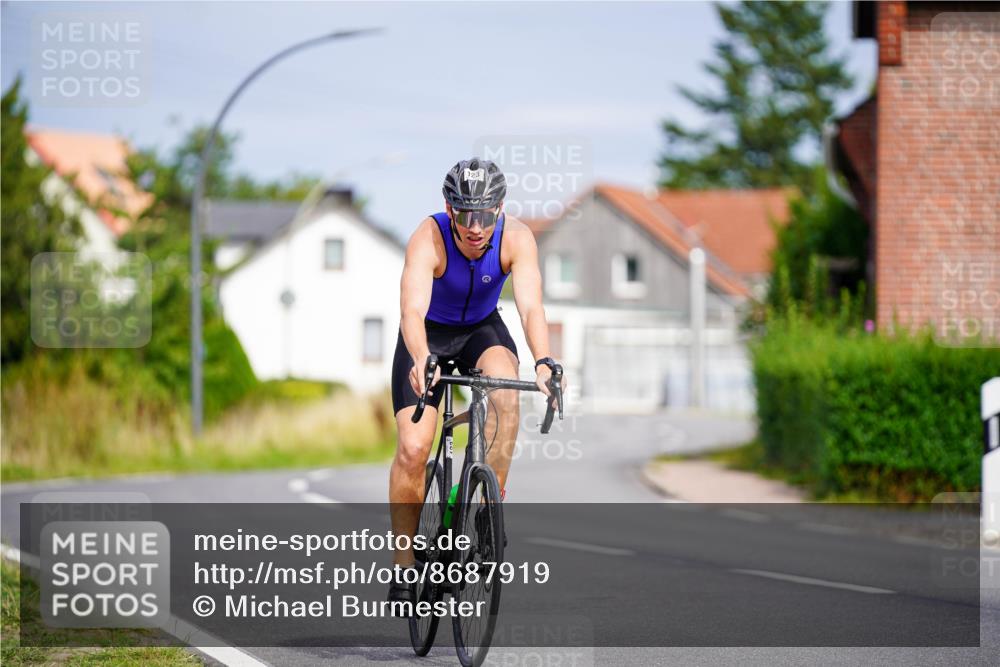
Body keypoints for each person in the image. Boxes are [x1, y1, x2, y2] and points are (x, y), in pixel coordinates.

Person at [387, 158, 563, 603]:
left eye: (484, 215)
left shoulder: (517, 239)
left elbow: (530, 308)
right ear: (449, 209)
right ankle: (405, 563)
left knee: (506, 391)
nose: (475, 227)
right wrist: (423, 356)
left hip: (481, 331)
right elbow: (411, 310)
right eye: (464, 214)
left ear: (500, 209)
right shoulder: (428, 237)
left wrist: (543, 360)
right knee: (412, 449)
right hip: (427, 334)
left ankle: (485, 509)